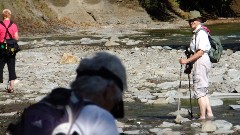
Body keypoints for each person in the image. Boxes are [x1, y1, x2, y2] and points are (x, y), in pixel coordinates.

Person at [7, 52, 127, 135]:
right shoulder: (100, 118)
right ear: (109, 90)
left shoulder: (49, 103)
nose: (114, 108)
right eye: (117, 101)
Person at [69, 52, 127, 134]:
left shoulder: (50, 105)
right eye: (116, 103)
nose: (112, 111)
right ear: (109, 91)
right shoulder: (101, 119)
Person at [179, 10, 214, 120]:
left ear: (199, 20)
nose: (191, 22)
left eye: (193, 20)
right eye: (189, 20)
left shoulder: (201, 33)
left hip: (201, 61)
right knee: (203, 89)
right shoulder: (199, 32)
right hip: (202, 62)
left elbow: (200, 52)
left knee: (199, 90)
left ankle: (202, 118)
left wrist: (187, 61)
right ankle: (209, 114)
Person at [0, 9, 19, 93]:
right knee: (11, 67)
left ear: (2, 15)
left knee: (0, 66)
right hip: (11, 48)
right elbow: (16, 38)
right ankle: (11, 87)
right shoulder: (13, 25)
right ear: (10, 15)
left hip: (2, 47)